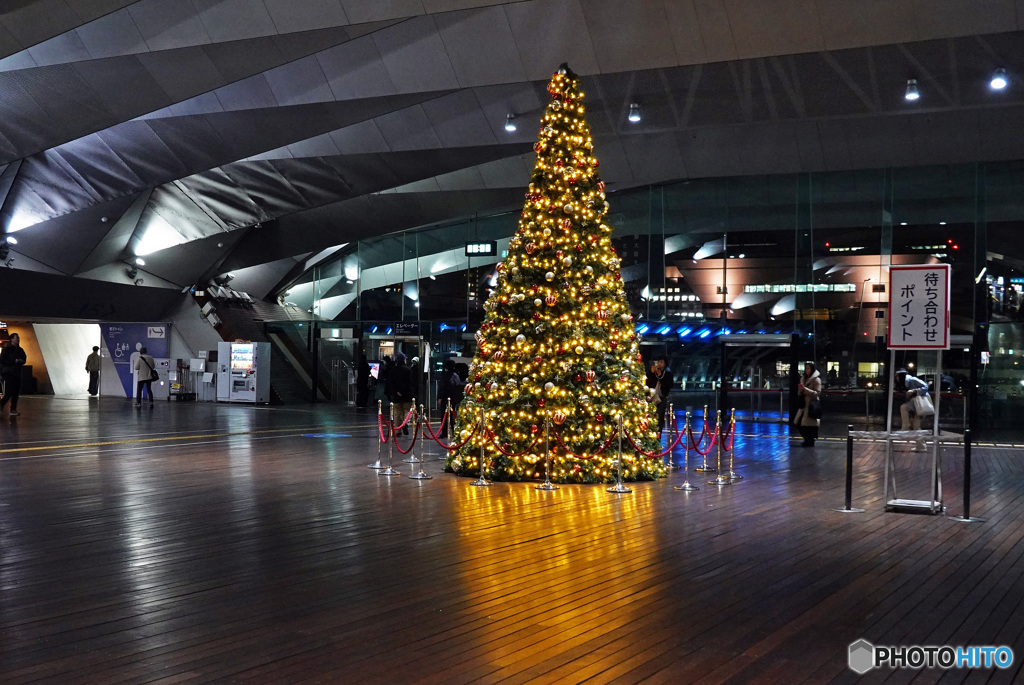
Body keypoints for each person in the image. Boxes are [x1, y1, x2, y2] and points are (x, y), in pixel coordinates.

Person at [896, 368, 929, 451]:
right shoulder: (907, 383)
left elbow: (926, 386)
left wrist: (914, 390)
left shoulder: (912, 380)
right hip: (916, 404)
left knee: (903, 407)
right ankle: (921, 446)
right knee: (916, 426)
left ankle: (905, 426)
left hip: (920, 402)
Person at [793, 362, 822, 447]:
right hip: (803, 404)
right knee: (798, 422)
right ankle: (807, 439)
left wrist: (805, 389)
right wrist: (801, 390)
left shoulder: (816, 379)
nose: (807, 370)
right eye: (806, 368)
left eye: (808, 368)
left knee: (810, 425)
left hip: (811, 405)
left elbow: (817, 392)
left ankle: (809, 440)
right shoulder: (803, 378)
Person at [645, 355, 675, 434]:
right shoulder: (652, 373)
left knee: (659, 418)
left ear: (665, 364)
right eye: (658, 362)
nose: (659, 364)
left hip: (662, 398)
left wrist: (660, 376)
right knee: (649, 417)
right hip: (651, 398)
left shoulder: (668, 374)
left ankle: (658, 435)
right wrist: (651, 373)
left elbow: (668, 385)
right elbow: (647, 384)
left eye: (661, 362)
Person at [0, 333, 27, 416]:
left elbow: (24, 358)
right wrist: (13, 362)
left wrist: (21, 361)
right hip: (9, 372)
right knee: (9, 391)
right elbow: (2, 360)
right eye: (16, 338)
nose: (18, 339)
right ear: (12, 339)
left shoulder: (20, 349)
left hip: (17, 372)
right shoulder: (7, 349)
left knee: (16, 391)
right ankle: (2, 403)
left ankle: (13, 409)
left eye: (18, 338)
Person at [388, 353, 414, 435]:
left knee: (397, 413)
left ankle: (397, 431)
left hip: (396, 396)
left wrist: (397, 391)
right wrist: (403, 391)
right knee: (409, 410)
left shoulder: (393, 370)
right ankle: (405, 423)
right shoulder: (408, 370)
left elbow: (391, 383)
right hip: (406, 395)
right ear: (404, 360)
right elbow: (409, 382)